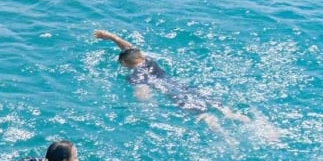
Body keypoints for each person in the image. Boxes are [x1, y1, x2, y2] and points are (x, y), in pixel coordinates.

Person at [93, 29, 254, 131]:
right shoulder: (148, 60)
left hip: (174, 95)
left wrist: (147, 109)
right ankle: (258, 126)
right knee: (226, 111)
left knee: (206, 117)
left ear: (124, 63)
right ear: (141, 56)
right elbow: (130, 49)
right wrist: (111, 37)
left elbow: (142, 92)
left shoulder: (135, 75)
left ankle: (226, 138)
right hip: (185, 88)